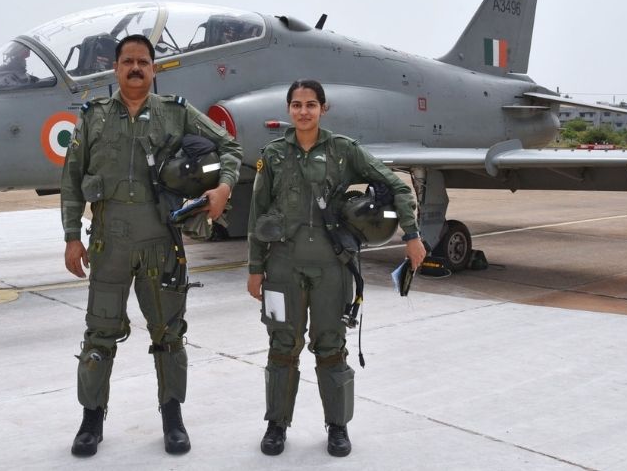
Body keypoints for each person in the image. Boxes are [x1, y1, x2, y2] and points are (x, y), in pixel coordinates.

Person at [61, 34, 243, 457]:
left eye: (144, 61)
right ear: (116, 68)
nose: (136, 68)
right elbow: (71, 181)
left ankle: (172, 416)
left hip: (161, 242)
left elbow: (230, 146)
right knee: (99, 334)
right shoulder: (93, 118)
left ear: (154, 68)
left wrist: (223, 188)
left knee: (170, 334)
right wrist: (72, 236)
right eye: (128, 61)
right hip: (108, 244)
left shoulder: (176, 113)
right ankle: (91, 419)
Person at [245, 79, 425, 457]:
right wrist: (255, 267)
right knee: (281, 347)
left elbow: (397, 186)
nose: (304, 111)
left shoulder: (344, 151)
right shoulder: (274, 155)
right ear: (288, 109)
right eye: (297, 104)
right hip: (282, 268)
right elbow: (257, 214)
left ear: (323, 108)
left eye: (311, 104)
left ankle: (337, 426)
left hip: (331, 268)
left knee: (331, 348)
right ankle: (276, 424)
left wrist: (411, 235)